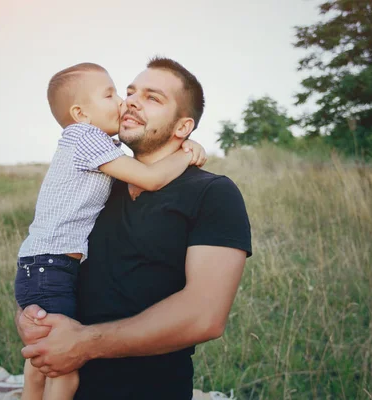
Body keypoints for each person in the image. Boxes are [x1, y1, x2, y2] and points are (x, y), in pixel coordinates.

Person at [16, 57, 252, 400]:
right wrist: (28, 317)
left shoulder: (212, 193)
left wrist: (84, 345)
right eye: (129, 92)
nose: (131, 102)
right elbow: (46, 264)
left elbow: (205, 317)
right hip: (67, 385)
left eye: (153, 97)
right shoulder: (95, 185)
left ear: (183, 127)